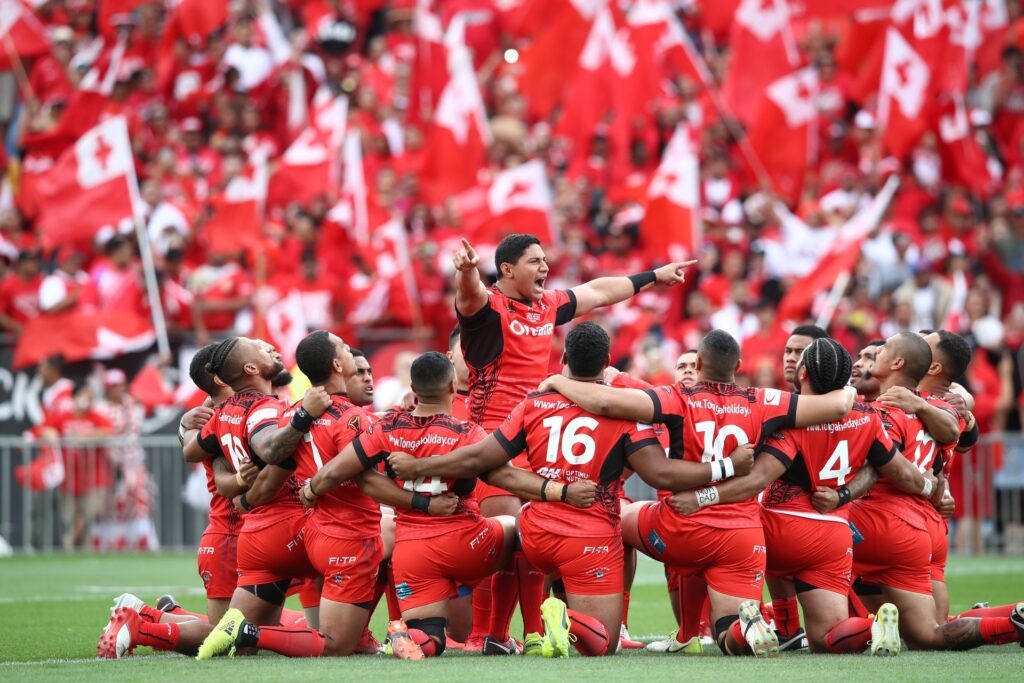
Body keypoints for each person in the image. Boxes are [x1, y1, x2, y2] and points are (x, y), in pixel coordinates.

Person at [389, 323, 756, 657]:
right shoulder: (623, 414)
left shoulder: (533, 403)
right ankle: (561, 621)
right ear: (608, 362)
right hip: (590, 539)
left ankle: (509, 630)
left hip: (536, 534)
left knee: (512, 527)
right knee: (602, 644)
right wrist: (724, 468)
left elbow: (481, 461)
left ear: (563, 358)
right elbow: (660, 474)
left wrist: (422, 466)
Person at [540, 329, 857, 657]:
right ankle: (745, 626)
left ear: (700, 362)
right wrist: (847, 386)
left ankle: (592, 614)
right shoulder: (764, 400)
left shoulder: (677, 398)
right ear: (737, 365)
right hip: (742, 538)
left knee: (615, 514)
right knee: (728, 633)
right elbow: (837, 407)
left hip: (682, 526)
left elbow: (605, 401)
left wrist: (559, 382)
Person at [453, 233, 694, 653]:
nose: (545, 268)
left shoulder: (547, 306)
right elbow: (469, 297)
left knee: (531, 534)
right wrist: (468, 271)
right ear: (507, 270)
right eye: (534, 261)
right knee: (509, 530)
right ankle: (485, 635)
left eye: (545, 260)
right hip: (493, 434)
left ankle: (530, 634)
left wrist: (654, 277)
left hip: (536, 431)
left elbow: (598, 291)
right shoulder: (487, 306)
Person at [308, 351, 595, 659]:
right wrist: (560, 492)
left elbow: (337, 471)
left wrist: (310, 490)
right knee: (522, 524)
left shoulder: (385, 428)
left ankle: (408, 636)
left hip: (413, 555)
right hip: (466, 543)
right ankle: (524, 632)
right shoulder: (467, 432)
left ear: (413, 390)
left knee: (433, 637)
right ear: (451, 388)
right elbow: (507, 477)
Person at [669, 338, 932, 655]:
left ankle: (757, 626)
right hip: (833, 536)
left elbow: (756, 480)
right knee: (827, 637)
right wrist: (931, 488)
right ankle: (872, 626)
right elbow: (898, 471)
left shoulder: (792, 419)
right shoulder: (867, 416)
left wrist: (703, 498)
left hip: (780, 529)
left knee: (715, 543)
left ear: (804, 372)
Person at [197, 331, 447, 659]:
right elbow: (367, 483)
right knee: (335, 644)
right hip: (350, 536)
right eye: (344, 349)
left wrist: (244, 501)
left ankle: (230, 628)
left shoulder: (293, 414)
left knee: (336, 626)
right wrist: (423, 503)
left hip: (312, 535)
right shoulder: (351, 418)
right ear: (336, 364)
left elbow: (272, 474)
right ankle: (250, 630)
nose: (351, 355)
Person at [816, 333, 1024, 650]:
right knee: (930, 632)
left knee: (802, 544)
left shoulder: (887, 410)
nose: (865, 361)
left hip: (878, 519)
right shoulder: (943, 404)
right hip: (921, 528)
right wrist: (936, 484)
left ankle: (790, 626)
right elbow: (960, 430)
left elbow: (885, 464)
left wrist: (842, 496)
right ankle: (1011, 623)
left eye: (878, 353)